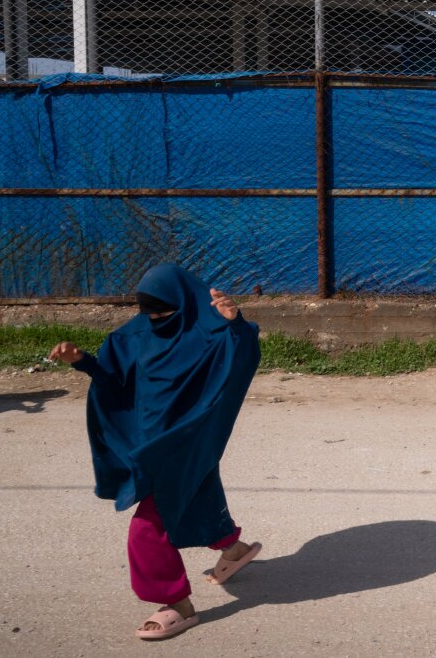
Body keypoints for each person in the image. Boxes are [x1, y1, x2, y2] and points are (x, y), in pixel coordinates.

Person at [49, 264, 264, 640]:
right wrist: (83, 361)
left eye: (166, 314)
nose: (158, 321)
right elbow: (114, 383)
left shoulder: (212, 331)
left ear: (184, 303)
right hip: (147, 440)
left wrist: (237, 325)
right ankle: (233, 549)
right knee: (196, 495)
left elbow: (240, 361)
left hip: (188, 439)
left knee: (147, 527)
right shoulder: (134, 335)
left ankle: (177, 604)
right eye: (151, 314)